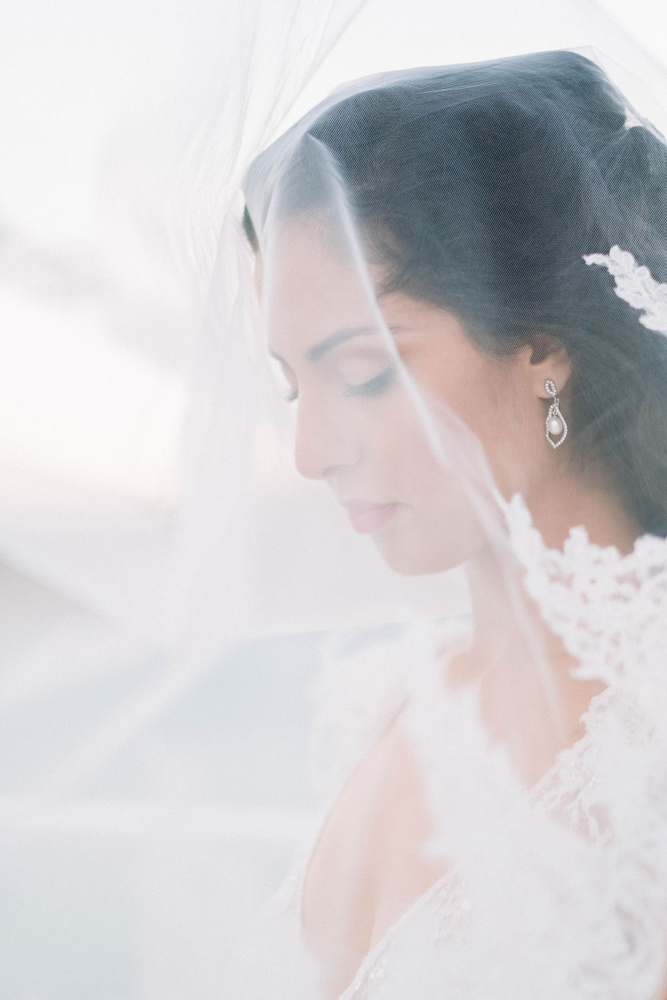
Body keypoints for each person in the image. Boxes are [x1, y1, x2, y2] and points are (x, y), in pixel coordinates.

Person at [237, 49, 667, 998]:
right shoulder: (396, 698)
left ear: (541, 351)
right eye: (291, 383)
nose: (310, 451)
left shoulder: (648, 742)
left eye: (363, 372)